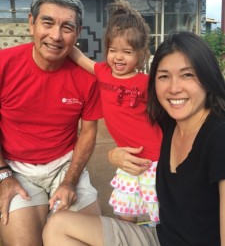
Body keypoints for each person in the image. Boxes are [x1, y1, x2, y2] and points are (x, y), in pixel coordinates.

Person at [42, 31, 225, 246]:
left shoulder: (218, 136)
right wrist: (114, 155)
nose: (174, 88)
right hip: (161, 237)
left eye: (187, 75)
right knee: (58, 226)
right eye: (164, 76)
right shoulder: (167, 122)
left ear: (208, 76)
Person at [0, 0, 102, 246]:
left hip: (65, 165)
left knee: (88, 240)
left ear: (77, 33)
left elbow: (88, 131)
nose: (56, 36)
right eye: (47, 23)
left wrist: (70, 181)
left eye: (67, 27)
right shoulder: (4, 64)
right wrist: (3, 175)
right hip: (15, 166)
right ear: (32, 23)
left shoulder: (87, 78)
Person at [69, 0, 162, 223]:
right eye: (113, 50)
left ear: (140, 55)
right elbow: (80, 57)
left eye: (127, 52)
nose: (118, 57)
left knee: (160, 213)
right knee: (124, 213)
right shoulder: (103, 72)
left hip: (156, 159)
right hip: (127, 159)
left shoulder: (146, 82)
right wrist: (63, 41)